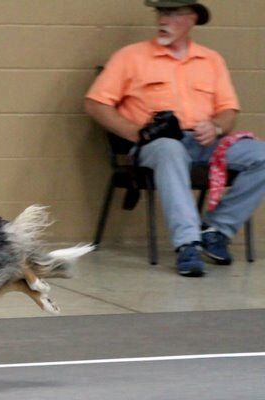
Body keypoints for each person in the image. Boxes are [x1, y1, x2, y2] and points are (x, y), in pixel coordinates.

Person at [84, 0, 265, 276]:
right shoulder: (131, 57)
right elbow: (96, 104)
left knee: (260, 155)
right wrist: (136, 134)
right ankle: (187, 244)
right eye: (161, 13)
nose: (163, 20)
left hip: (204, 142)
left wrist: (216, 127)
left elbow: (229, 109)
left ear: (191, 18)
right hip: (156, 144)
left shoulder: (211, 60)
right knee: (170, 150)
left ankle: (216, 230)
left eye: (172, 14)